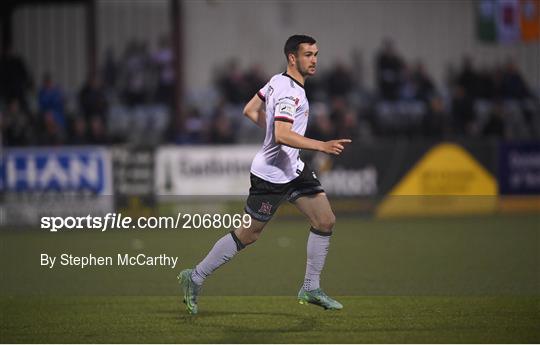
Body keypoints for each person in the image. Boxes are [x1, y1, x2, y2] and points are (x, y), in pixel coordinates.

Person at [177, 35, 351, 314]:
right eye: (308, 54)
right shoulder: (290, 92)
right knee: (248, 234)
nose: (314, 59)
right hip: (270, 176)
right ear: (292, 58)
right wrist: (321, 145)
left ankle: (310, 287)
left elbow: (250, 110)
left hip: (292, 168)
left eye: (316, 54)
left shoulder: (276, 81)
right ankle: (194, 277)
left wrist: (273, 132)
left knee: (325, 219)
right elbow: (282, 135)